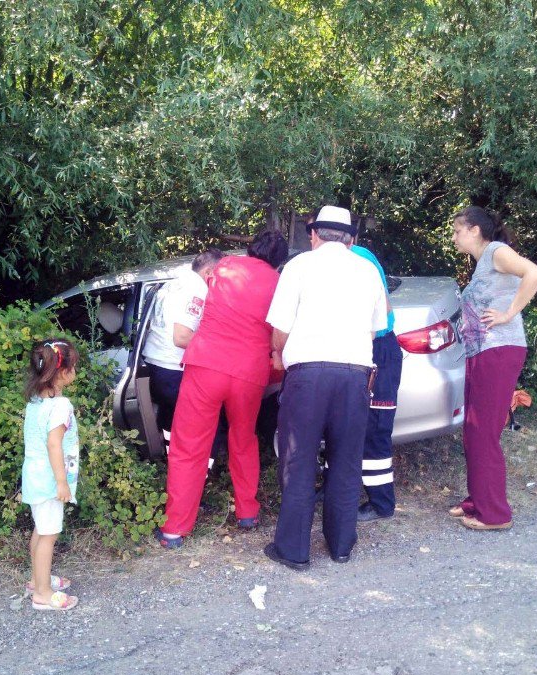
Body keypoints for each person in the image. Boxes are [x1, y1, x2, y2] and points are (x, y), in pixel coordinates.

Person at [265, 206, 387, 569]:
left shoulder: (300, 266)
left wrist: (278, 353)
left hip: (309, 376)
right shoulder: (367, 271)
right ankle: (341, 546)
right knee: (347, 461)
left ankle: (294, 550)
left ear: (314, 235)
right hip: (355, 376)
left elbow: (280, 329)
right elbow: (373, 329)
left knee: (298, 459)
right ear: (350, 239)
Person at [155, 231, 288, 549]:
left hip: (206, 365)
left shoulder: (225, 267)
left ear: (249, 248)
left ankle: (175, 529)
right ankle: (247, 513)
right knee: (243, 440)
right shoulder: (279, 284)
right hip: (248, 373)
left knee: (189, 446)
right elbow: (277, 334)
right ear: (279, 260)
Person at [449, 206, 537, 530]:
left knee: (485, 432)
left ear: (474, 230)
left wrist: (508, 314)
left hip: (499, 350)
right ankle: (478, 501)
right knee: (474, 429)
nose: (454, 236)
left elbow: (535, 274)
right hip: (482, 353)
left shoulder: (496, 252)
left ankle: (495, 515)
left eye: (457, 230)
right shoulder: (481, 265)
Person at [142, 250, 224, 457]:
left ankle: (173, 459)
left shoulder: (173, 284)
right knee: (209, 420)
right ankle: (203, 469)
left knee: (171, 419)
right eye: (220, 275)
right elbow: (181, 337)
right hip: (173, 368)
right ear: (208, 272)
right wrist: (219, 348)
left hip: (155, 364)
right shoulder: (196, 288)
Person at [22, 338, 81, 611]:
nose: (76, 372)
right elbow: (54, 443)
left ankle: (37, 580)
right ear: (63, 370)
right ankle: (43, 595)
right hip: (49, 479)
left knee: (40, 528)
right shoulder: (61, 406)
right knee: (49, 534)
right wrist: (61, 482)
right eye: (74, 366)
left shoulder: (35, 402)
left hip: (34, 474)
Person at [350, 242, 404, 522]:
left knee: (375, 429)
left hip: (379, 350)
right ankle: (340, 486)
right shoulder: (348, 257)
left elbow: (380, 310)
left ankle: (381, 503)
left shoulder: (358, 259)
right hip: (364, 349)